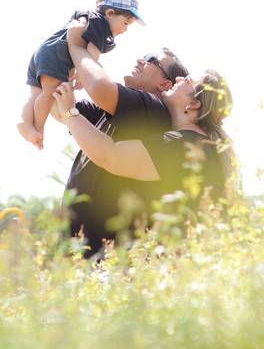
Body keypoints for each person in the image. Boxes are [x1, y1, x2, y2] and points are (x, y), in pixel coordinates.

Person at [51, 69, 237, 249]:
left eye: (187, 80)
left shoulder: (184, 145)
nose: (179, 78)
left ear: (194, 103)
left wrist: (69, 112)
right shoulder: (199, 145)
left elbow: (110, 155)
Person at [61, 21, 190, 257]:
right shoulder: (119, 111)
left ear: (165, 84)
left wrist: (75, 45)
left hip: (107, 260)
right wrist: (57, 70)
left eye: (151, 59)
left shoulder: (152, 111)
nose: (141, 60)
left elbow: (98, 85)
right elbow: (62, 109)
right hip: (81, 256)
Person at [17, 0, 144, 150]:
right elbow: (92, 53)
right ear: (110, 13)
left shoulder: (88, 16)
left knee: (35, 95)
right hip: (57, 55)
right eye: (126, 23)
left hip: (44, 52)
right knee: (50, 94)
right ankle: (38, 128)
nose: (125, 29)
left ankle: (24, 123)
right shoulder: (101, 24)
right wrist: (83, 75)